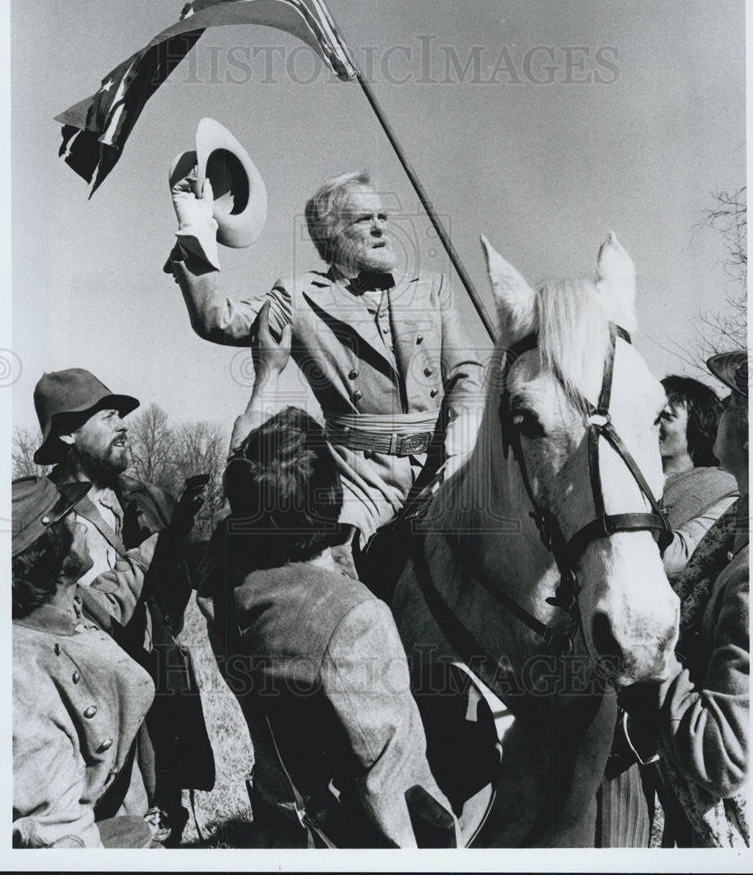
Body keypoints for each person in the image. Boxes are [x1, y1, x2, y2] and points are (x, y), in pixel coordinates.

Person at [195, 305, 459, 848]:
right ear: (332, 496)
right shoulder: (352, 618)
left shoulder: (223, 581)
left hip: (282, 813)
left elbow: (236, 492)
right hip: (349, 839)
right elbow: (395, 786)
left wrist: (267, 375)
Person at [166, 167, 484, 576]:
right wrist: (194, 223)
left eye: (383, 218)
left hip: (446, 459)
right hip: (360, 480)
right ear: (332, 234)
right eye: (363, 219)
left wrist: (460, 450)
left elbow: (466, 374)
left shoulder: (432, 288)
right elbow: (217, 319)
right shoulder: (297, 297)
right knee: (335, 574)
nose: (380, 228)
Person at [31, 367, 214, 843]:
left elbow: (201, 566)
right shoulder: (40, 514)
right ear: (69, 433)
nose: (123, 424)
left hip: (156, 667)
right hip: (86, 686)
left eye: (121, 415)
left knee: (165, 794)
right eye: (108, 415)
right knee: (109, 802)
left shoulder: (150, 498)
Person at [11, 476, 196, 848]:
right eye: (69, 520)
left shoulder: (65, 605)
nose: (80, 525)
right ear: (51, 551)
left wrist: (169, 535)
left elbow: (119, 588)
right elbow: (59, 837)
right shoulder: (22, 682)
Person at [620, 351, 750, 847]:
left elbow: (724, 756)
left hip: (723, 839)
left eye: (737, 399)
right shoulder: (734, 526)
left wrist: (650, 658)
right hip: (686, 818)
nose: (724, 405)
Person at [658, 375, 738, 578]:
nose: (652, 423)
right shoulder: (621, 472)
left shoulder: (725, 490)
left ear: (696, 428)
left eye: (666, 417)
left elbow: (677, 558)